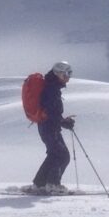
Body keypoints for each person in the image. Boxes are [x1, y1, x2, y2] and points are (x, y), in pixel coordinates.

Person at [31, 60, 75, 193]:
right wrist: (63, 122)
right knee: (62, 155)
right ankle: (52, 184)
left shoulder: (52, 86)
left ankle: (40, 183)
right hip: (48, 126)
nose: (68, 77)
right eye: (67, 73)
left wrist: (62, 121)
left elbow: (51, 111)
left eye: (70, 73)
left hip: (47, 126)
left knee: (55, 154)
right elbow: (50, 112)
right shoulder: (51, 88)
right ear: (58, 73)